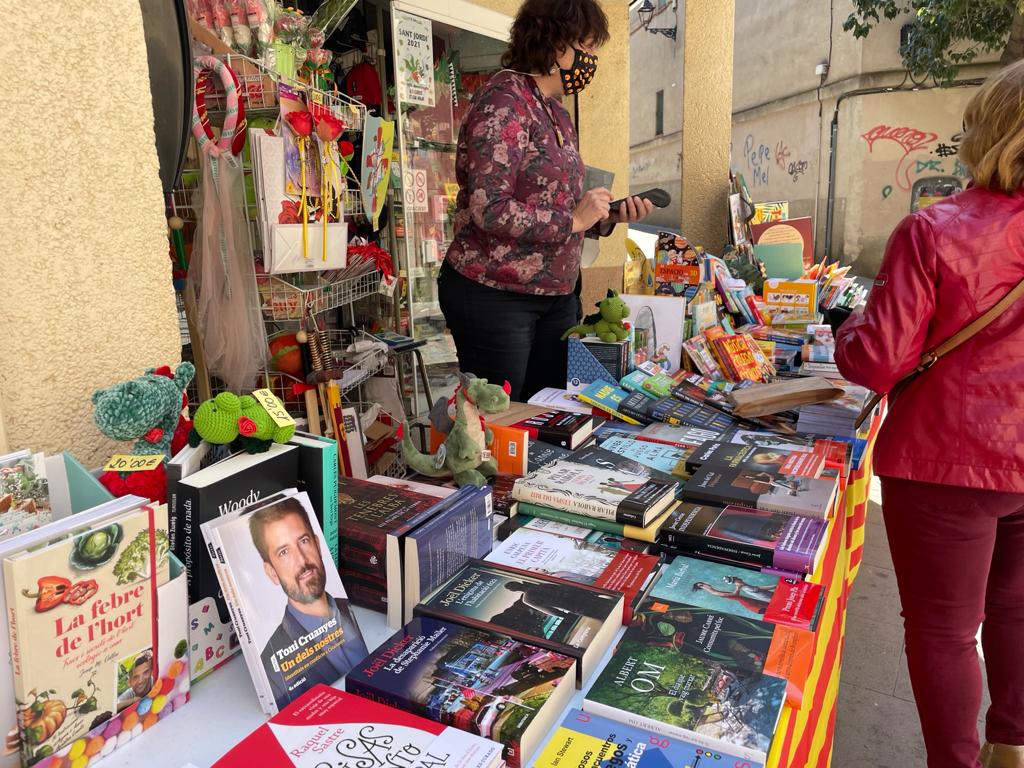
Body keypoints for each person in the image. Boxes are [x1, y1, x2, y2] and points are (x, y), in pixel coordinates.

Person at [832, 61, 1024, 768]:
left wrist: (846, 329)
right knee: (1015, 610)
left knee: (944, 631)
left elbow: (878, 360)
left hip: (945, 459)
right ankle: (1012, 747)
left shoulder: (934, 229)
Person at [438, 0, 654, 402]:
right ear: (556, 44)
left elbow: (559, 202)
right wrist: (572, 221)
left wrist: (605, 217)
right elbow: (490, 207)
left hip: (554, 296)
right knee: (499, 421)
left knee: (547, 415)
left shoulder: (555, 112)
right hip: (496, 294)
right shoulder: (504, 101)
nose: (591, 59)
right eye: (586, 46)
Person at [250, 498, 368, 709]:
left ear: (317, 543)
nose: (302, 561)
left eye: (303, 541)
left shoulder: (355, 610)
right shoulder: (271, 668)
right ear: (271, 573)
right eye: (284, 552)